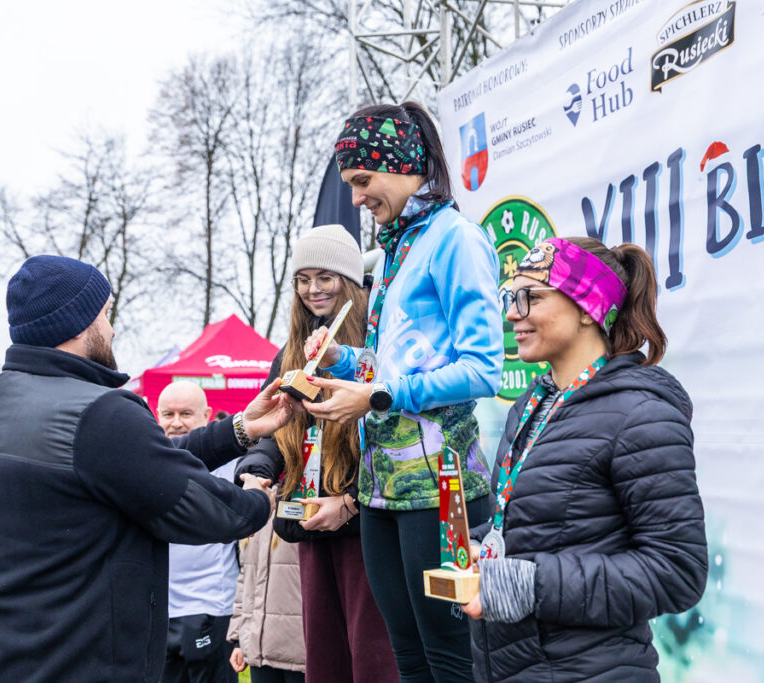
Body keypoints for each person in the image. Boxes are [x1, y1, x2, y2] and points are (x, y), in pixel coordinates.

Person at [0, 254, 296, 682]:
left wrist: (239, 429)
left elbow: (139, 464)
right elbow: (203, 509)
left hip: (1, 654)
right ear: (78, 323)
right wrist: (257, 497)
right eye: (105, 313)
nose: (112, 328)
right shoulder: (98, 413)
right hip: (78, 659)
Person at [303, 102, 504, 681]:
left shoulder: (456, 239)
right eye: (350, 184)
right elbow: (390, 369)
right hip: (381, 490)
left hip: (444, 488)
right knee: (406, 657)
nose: (356, 198)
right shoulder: (396, 247)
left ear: (403, 164)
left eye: (363, 180)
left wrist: (375, 398)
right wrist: (343, 362)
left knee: (451, 658)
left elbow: (482, 369)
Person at [461, 237, 708, 682]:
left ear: (586, 308)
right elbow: (541, 527)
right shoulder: (531, 405)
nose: (512, 313)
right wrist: (480, 547)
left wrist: (528, 584)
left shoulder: (641, 414)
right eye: (510, 297)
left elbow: (677, 571)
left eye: (531, 297)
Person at [236, 224, 395, 682]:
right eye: (303, 279)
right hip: (308, 522)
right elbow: (276, 427)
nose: (313, 289)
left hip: (368, 525)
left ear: (349, 280)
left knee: (374, 659)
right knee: (324, 661)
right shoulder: (291, 351)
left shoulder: (377, 343)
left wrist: (350, 502)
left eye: (325, 277)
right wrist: (257, 469)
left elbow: (394, 436)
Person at [158, 380, 240, 683]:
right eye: (168, 414)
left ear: (206, 415)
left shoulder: (232, 466)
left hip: (211, 607)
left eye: (186, 414)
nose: (176, 423)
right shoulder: (148, 465)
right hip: (160, 610)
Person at [227, 488, 306, 683]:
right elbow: (245, 577)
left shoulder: (305, 495)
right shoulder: (258, 502)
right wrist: (238, 639)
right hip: (259, 650)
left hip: (300, 650)